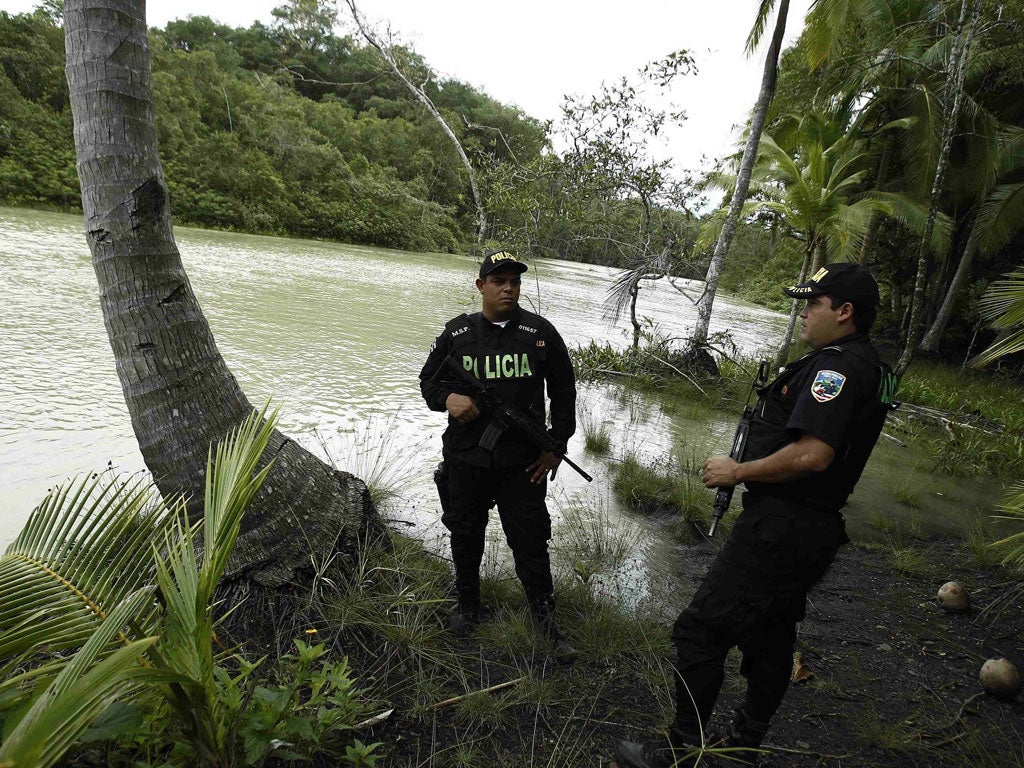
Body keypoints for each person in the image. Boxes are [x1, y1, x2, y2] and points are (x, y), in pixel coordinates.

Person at [615, 263, 896, 767]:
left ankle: (680, 752)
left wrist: (738, 471)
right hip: (809, 528)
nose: (804, 311)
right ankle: (744, 745)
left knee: (699, 632)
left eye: (814, 303)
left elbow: (814, 455)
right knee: (770, 637)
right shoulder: (866, 364)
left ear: (845, 312)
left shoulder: (838, 368)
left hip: (783, 527)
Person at [419, 248, 578, 663]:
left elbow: (564, 394)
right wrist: (449, 398)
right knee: (465, 533)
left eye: (515, 281)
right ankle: (468, 607)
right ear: (481, 286)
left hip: (523, 464)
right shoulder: (456, 335)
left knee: (530, 541)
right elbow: (428, 382)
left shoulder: (541, 334)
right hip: (466, 459)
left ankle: (545, 622)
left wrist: (555, 448)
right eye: (499, 281)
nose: (508, 288)